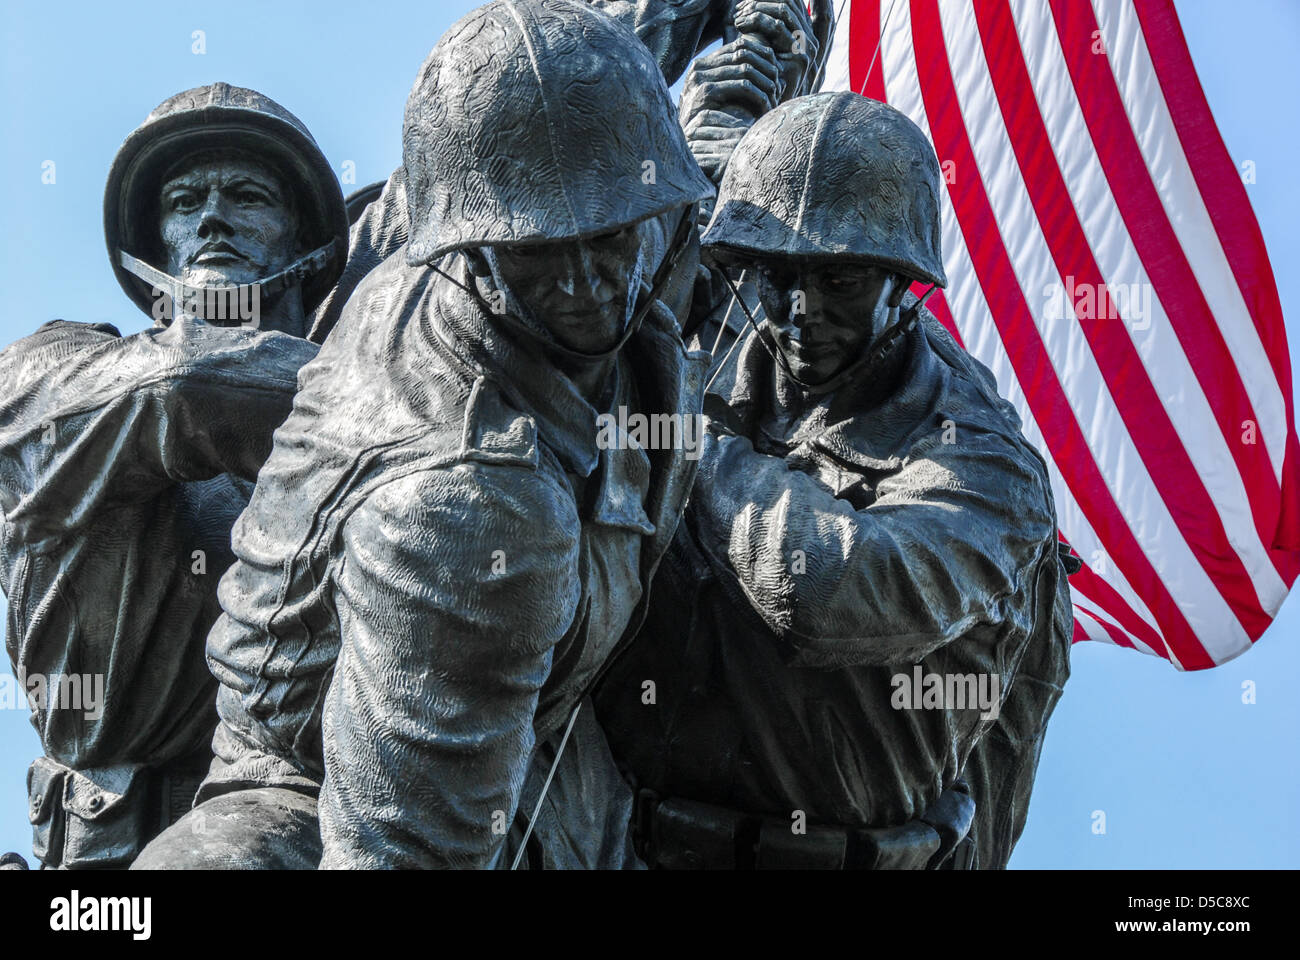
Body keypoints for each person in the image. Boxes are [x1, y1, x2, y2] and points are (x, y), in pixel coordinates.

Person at [135, 0, 714, 870]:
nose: (587, 279)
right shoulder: (462, 504)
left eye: (612, 233)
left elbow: (555, 114)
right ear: (467, 253)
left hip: (556, 768)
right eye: (539, 251)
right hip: (323, 802)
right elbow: (402, 850)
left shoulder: (532, 244)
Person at [594, 92, 1074, 869]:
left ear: (903, 283)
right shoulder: (721, 318)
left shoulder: (985, 464)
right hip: (613, 827)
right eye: (778, 275)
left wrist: (689, 441)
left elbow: (832, 590)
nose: (800, 311)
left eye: (842, 282)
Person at [0, 83, 347, 868]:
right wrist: (384, 398)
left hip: (315, 828)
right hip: (117, 864)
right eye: (185, 202)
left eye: (248, 195)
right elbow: (190, 385)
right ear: (154, 254)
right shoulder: (54, 373)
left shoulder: (361, 368)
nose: (212, 217)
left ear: (313, 246)